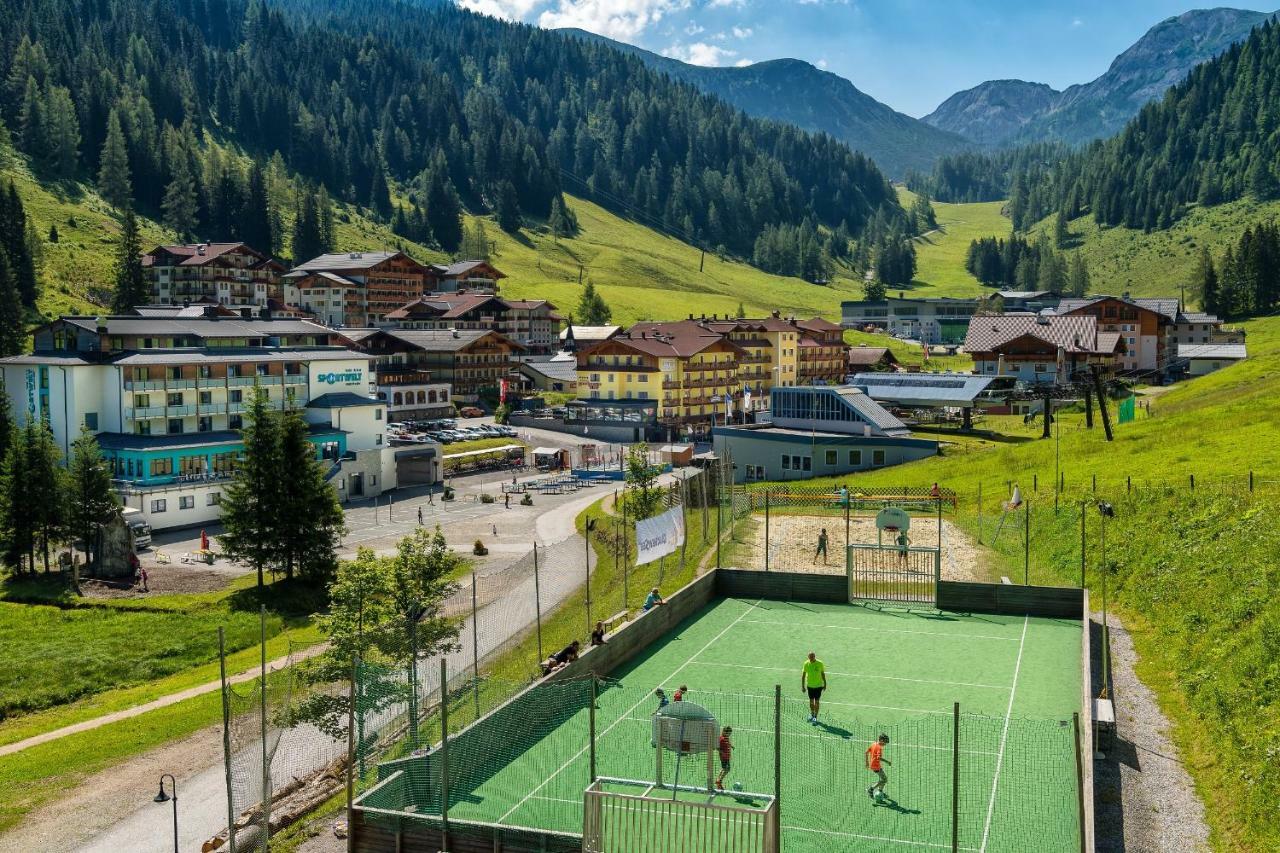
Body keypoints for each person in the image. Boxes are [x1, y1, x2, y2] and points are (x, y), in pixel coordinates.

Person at [801, 652, 827, 724]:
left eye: (812, 657)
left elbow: (822, 674)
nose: (811, 659)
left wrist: (825, 683)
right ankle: (812, 714)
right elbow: (803, 675)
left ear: (814, 657)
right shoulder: (806, 664)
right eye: (809, 657)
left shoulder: (820, 663)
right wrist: (803, 686)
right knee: (811, 702)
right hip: (810, 686)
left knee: (817, 702)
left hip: (818, 686)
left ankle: (815, 717)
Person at [866, 734, 892, 800]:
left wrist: (867, 762)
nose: (885, 743)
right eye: (885, 742)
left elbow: (866, 752)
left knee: (883, 779)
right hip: (876, 766)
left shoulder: (873, 744)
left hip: (873, 765)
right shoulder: (879, 748)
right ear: (881, 740)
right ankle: (871, 789)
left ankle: (880, 791)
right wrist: (887, 762)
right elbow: (879, 757)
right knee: (884, 779)